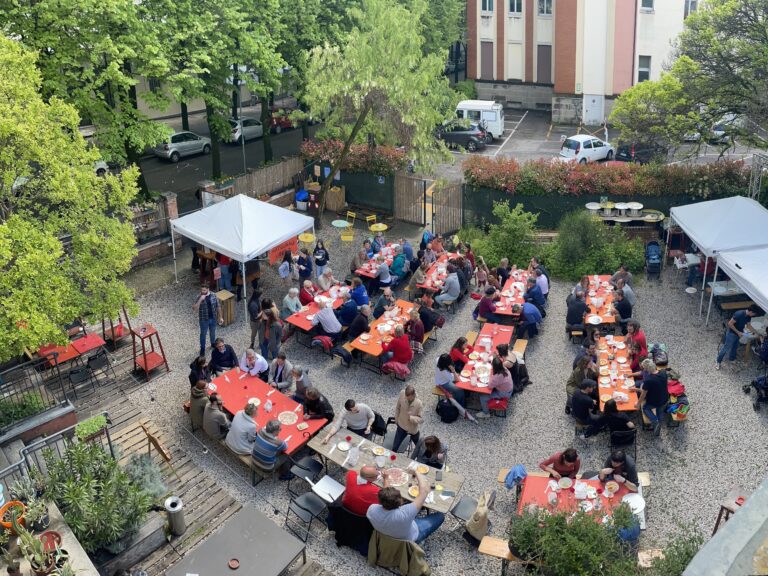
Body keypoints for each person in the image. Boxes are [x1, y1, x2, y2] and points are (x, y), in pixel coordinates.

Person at [366, 471, 445, 544]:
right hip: (408, 540)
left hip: (386, 535)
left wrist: (386, 479)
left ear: (379, 500)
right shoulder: (406, 513)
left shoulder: (371, 510)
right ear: (401, 502)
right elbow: (424, 490)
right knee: (440, 516)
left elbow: (386, 495)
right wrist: (416, 472)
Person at [637, 358, 669, 435]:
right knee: (659, 410)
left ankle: (655, 421)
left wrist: (638, 403)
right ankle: (659, 425)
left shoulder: (649, 380)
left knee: (645, 407)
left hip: (654, 401)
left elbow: (643, 394)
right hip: (664, 398)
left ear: (647, 369)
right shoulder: (663, 373)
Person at [193, 283, 223, 356]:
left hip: (213, 318)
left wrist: (220, 317)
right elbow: (194, 308)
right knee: (203, 334)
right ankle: (202, 348)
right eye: (202, 290)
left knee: (212, 332)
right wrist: (200, 299)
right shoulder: (198, 296)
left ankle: (213, 344)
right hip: (203, 320)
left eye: (204, 290)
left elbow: (218, 307)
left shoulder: (213, 295)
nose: (202, 291)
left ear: (208, 289)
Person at [393, 385, 423, 452]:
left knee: (419, 447)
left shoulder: (419, 403)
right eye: (406, 397)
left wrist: (411, 417)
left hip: (412, 429)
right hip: (401, 426)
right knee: (394, 447)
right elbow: (398, 407)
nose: (406, 399)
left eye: (408, 398)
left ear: (413, 395)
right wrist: (396, 419)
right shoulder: (402, 393)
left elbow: (421, 420)